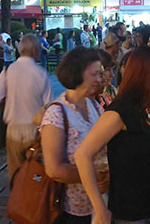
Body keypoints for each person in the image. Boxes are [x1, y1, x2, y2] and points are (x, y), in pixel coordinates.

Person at [74, 47, 150, 224]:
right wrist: (100, 207)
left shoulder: (140, 106)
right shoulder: (119, 111)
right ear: (145, 76)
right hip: (130, 213)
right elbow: (82, 154)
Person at [40, 47, 108, 224]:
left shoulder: (94, 105)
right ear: (77, 74)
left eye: (99, 74)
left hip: (98, 202)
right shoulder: (56, 113)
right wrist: (94, 176)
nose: (99, 79)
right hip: (73, 208)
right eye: (94, 74)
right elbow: (54, 169)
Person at [0, 35, 52, 180]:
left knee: (15, 173)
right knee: (36, 174)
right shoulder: (41, 74)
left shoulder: (7, 71)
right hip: (35, 131)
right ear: (35, 50)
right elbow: (49, 107)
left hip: (13, 130)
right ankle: (33, 200)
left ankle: (17, 199)